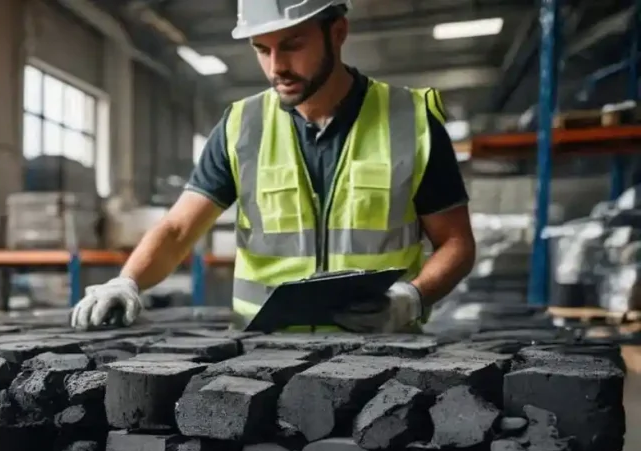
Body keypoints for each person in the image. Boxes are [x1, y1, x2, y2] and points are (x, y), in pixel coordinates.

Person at [70, 0, 476, 333]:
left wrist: (410, 299)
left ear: (337, 32)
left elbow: (456, 243)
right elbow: (178, 229)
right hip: (261, 363)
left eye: (292, 44)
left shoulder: (411, 122)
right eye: (262, 49)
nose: (276, 66)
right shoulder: (241, 127)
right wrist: (127, 281)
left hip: (381, 358)